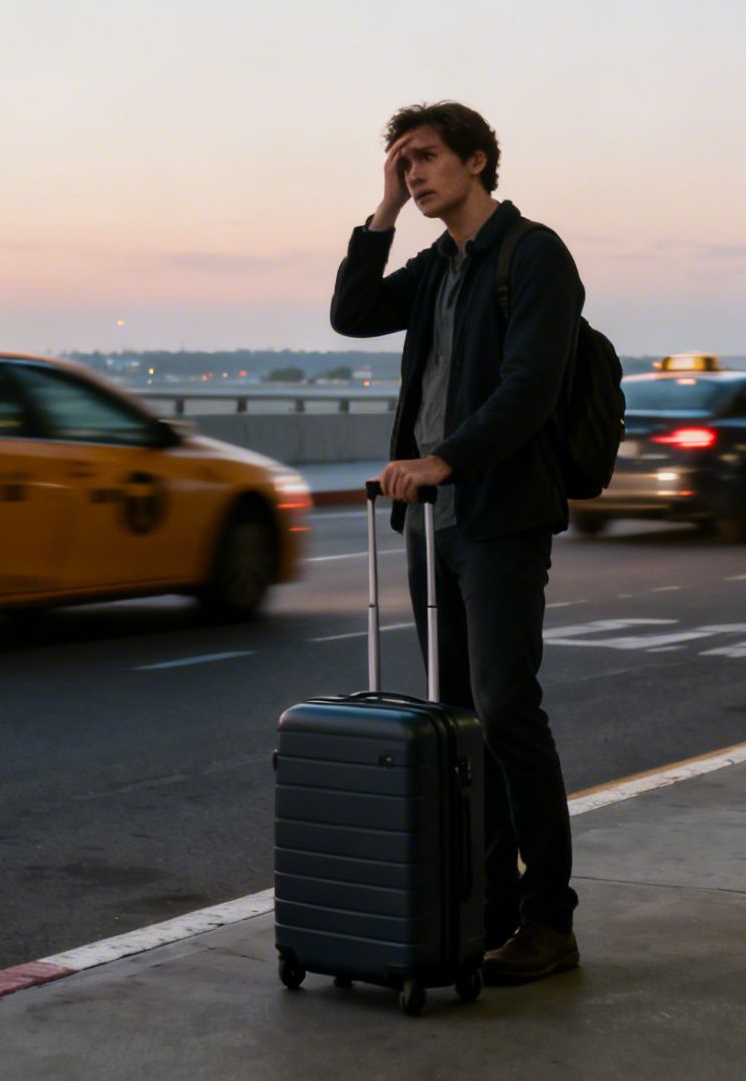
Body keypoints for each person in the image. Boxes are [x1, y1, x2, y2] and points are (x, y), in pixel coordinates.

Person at [329, 101, 584, 984]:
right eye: (404, 164)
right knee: (460, 721)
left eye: (427, 159)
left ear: (478, 161)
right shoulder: (438, 265)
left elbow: (529, 390)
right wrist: (383, 213)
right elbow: (353, 314)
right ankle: (491, 909)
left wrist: (443, 460)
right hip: (433, 522)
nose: (416, 174)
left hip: (501, 515)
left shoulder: (533, 255)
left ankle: (551, 920)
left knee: (509, 710)